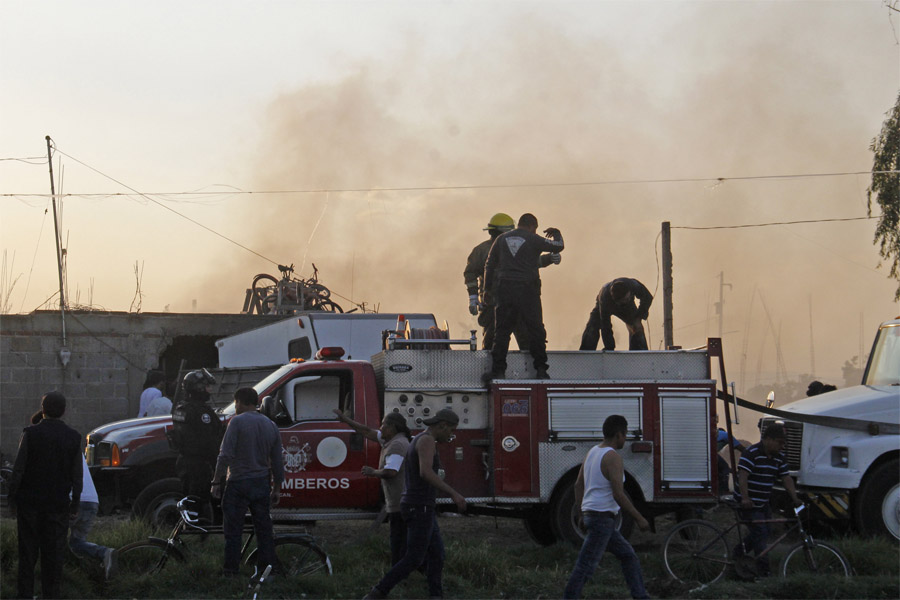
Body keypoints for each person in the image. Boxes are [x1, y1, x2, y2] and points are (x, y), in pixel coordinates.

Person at [363, 409, 467, 600]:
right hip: (420, 506)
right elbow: (425, 472)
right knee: (414, 558)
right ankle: (378, 592)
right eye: (451, 430)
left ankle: (436, 595)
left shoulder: (420, 439)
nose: (451, 435)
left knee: (437, 554)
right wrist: (454, 493)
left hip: (420, 505)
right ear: (442, 425)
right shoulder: (427, 441)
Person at [563, 415, 651, 600]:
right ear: (618, 434)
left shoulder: (592, 452)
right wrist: (639, 518)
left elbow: (578, 485)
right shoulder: (613, 458)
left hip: (594, 517)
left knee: (628, 556)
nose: (625, 439)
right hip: (601, 518)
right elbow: (619, 494)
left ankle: (640, 596)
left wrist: (580, 514)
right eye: (625, 435)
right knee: (586, 565)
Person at [8, 392, 83, 600]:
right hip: (58, 507)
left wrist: (12, 498)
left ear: (43, 409)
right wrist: (74, 504)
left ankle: (25, 595)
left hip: (29, 505)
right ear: (64, 411)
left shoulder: (30, 434)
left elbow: (19, 470)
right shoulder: (74, 438)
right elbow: (77, 476)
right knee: (53, 559)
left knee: (27, 556)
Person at [211, 387, 284, 577]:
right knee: (264, 532)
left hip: (238, 483)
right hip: (261, 483)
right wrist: (277, 487)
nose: (235, 408)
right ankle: (266, 572)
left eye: (236, 404)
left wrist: (216, 482)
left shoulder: (236, 422)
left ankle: (230, 573)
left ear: (240, 402)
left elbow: (224, 455)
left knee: (233, 531)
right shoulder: (271, 425)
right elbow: (277, 461)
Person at [483, 213, 564, 380]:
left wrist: (487, 290)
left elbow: (489, 265)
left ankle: (498, 370)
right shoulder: (534, 239)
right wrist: (556, 232)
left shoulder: (501, 240)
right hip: (529, 291)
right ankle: (541, 369)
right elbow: (559, 246)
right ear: (533, 227)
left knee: (502, 331)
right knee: (536, 330)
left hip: (505, 290)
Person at [464, 212, 560, 350]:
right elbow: (531, 263)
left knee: (495, 341)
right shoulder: (509, 246)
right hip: (518, 300)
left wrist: (473, 297)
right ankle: (534, 369)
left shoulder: (480, 250)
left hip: (493, 301)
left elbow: (470, 273)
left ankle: (494, 369)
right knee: (527, 341)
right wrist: (549, 258)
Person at [333, 408, 412, 566]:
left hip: (400, 503)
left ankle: (398, 574)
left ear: (392, 428)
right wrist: (347, 421)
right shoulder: (391, 439)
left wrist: (372, 472)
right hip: (401, 502)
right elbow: (366, 431)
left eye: (383, 425)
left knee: (398, 542)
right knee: (404, 541)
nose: (380, 428)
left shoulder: (396, 445)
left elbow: (391, 471)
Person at [733, 423, 802, 576]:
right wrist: (745, 498)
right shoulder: (752, 453)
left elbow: (786, 478)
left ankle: (737, 554)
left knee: (765, 531)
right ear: (768, 439)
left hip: (763, 502)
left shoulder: (779, 457)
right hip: (748, 503)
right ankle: (764, 573)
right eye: (780, 442)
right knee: (761, 534)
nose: (782, 446)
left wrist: (795, 498)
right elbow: (743, 476)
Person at [170, 369, 223, 516]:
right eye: (207, 387)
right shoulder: (201, 412)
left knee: (190, 499)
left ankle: (193, 530)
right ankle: (203, 532)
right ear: (198, 388)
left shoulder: (181, 408)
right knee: (201, 502)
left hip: (185, 462)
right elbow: (209, 441)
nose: (209, 390)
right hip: (200, 465)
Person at [579, 278, 653, 351]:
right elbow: (605, 325)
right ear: (616, 301)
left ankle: (639, 354)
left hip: (628, 308)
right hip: (603, 304)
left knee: (636, 327)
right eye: (623, 301)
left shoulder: (634, 285)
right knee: (593, 325)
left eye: (627, 299)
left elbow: (648, 297)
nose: (626, 301)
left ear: (629, 292)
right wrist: (609, 347)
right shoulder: (605, 300)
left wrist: (639, 315)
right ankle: (586, 353)